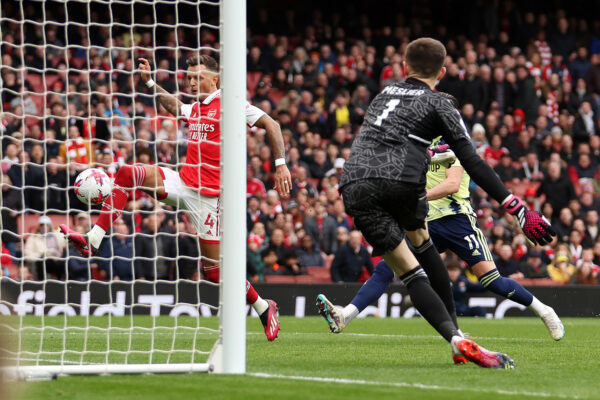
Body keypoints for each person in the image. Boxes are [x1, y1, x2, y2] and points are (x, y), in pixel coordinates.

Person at [318, 38, 555, 369]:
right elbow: (473, 160)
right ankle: (458, 337)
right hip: (402, 185)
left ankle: (455, 339)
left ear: (403, 68)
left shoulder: (382, 95)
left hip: (354, 184)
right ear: (442, 72)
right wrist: (516, 208)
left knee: (407, 270)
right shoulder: (438, 103)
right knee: (423, 258)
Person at [60, 55, 292, 341]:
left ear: (214, 79)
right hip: (183, 182)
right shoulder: (195, 108)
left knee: (214, 273)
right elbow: (173, 105)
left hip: (209, 199)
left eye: (198, 77)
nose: (192, 82)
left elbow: (272, 124)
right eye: (189, 78)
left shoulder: (231, 104)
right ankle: (93, 239)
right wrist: (149, 82)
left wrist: (280, 164)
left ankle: (262, 306)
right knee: (126, 173)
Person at [317, 131, 564, 341]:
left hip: (459, 221)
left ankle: (544, 311)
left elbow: (452, 184)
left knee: (492, 281)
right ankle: (345, 315)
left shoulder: (456, 144)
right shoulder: (416, 143)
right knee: (386, 267)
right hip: (425, 223)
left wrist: (418, 196)